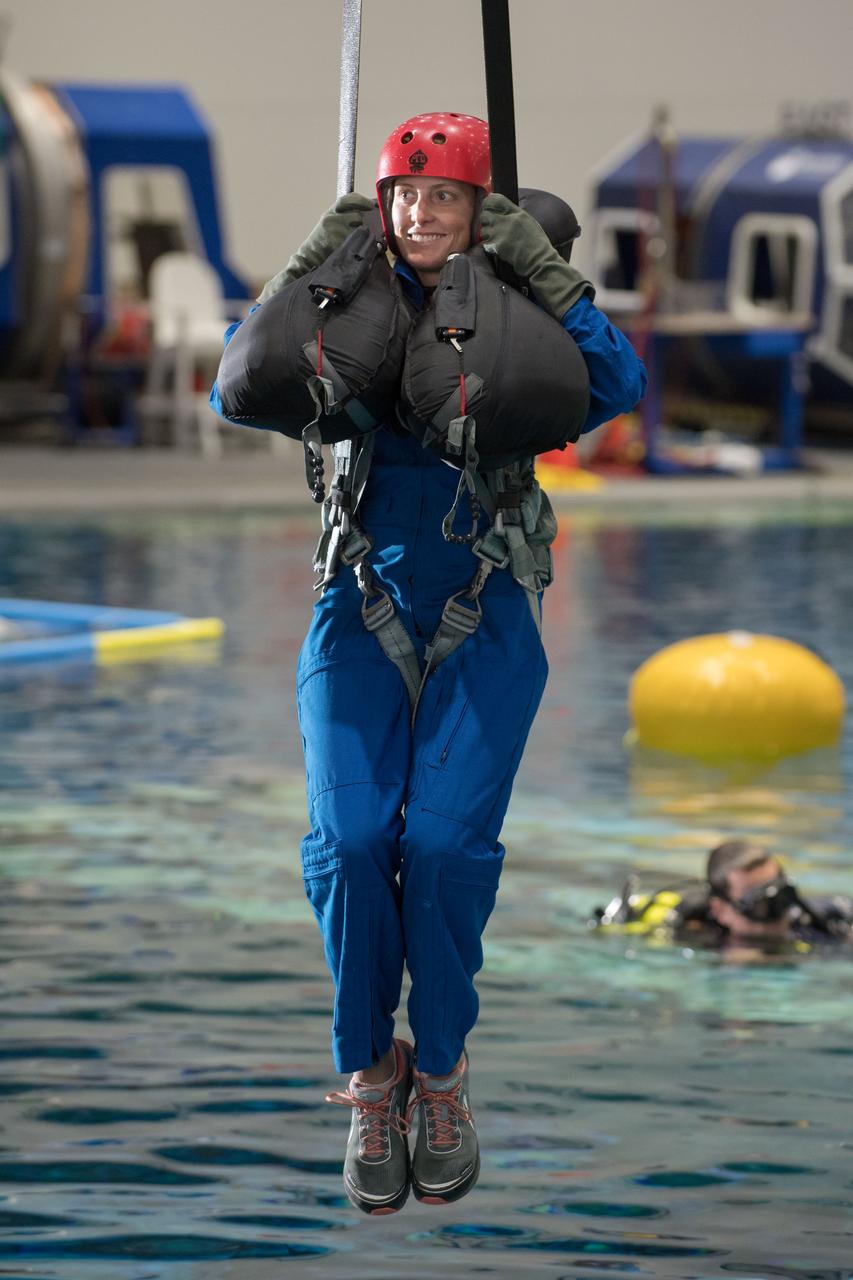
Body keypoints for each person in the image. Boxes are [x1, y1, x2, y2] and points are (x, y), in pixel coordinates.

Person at [218, 112, 646, 1215]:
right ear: (380, 205)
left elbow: (619, 386)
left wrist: (546, 275)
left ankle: (442, 1069)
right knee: (354, 841)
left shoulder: (513, 317)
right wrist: (305, 266)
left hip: (484, 605)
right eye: (403, 195)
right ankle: (372, 1073)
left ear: (477, 211)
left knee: (446, 846)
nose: (419, 213)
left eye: (443, 196)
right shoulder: (343, 307)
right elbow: (237, 386)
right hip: (356, 605)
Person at [594, 839, 853, 948]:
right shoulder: (692, 938)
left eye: (784, 895)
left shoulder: (818, 921)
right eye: (761, 904)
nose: (782, 913)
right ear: (721, 911)